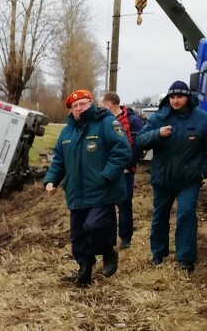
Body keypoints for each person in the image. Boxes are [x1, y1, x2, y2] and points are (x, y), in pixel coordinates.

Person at [43, 89, 130, 287]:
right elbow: (58, 159)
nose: (78, 108)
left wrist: (106, 176)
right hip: (76, 191)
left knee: (94, 226)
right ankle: (84, 272)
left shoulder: (106, 123)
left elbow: (122, 152)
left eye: (82, 104)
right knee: (78, 236)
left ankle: (108, 251)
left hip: (101, 190)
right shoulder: (67, 131)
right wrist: (51, 180)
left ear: (91, 103)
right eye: (74, 106)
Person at [136, 81, 207, 273]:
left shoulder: (201, 118)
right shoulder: (159, 118)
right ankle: (158, 254)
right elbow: (140, 140)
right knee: (160, 216)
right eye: (172, 97)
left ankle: (185, 259)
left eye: (180, 96)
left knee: (185, 214)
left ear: (188, 97)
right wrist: (157, 134)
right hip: (162, 177)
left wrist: (202, 172)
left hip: (189, 178)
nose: (176, 101)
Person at [98, 92, 143, 250]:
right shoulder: (102, 121)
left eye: (101, 105)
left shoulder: (133, 121)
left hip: (125, 171)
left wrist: (127, 165)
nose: (99, 108)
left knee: (124, 204)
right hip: (106, 169)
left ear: (109, 105)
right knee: (106, 204)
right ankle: (108, 239)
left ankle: (125, 239)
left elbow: (137, 146)